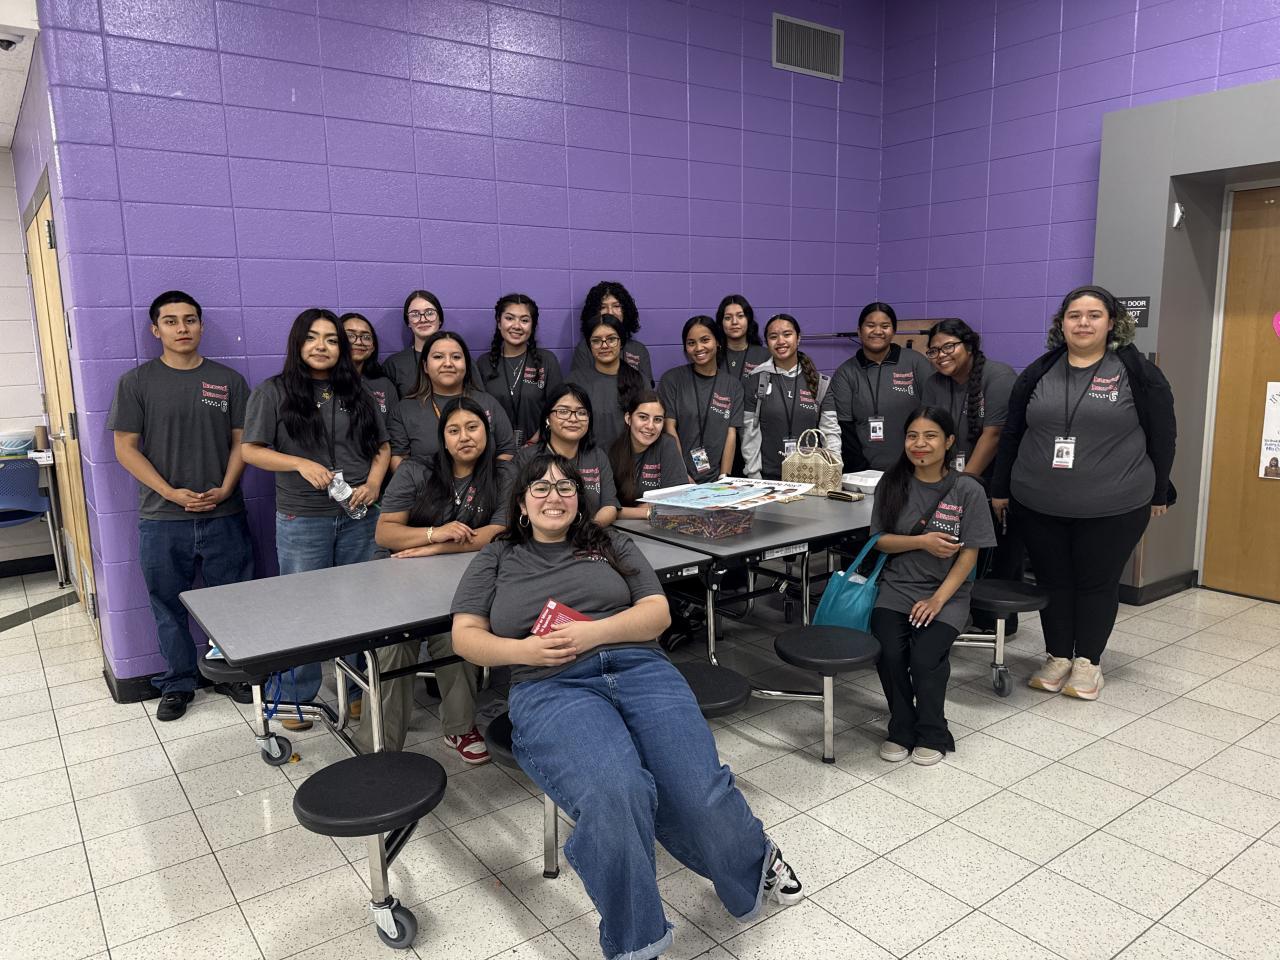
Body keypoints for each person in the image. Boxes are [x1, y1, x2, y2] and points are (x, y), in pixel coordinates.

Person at [450, 453, 804, 960]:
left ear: (580, 498)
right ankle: (637, 942)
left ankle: (756, 859)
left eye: (566, 487)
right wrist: (523, 651)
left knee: (696, 790)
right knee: (616, 792)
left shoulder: (609, 542)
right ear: (522, 504)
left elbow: (656, 613)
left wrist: (591, 633)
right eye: (541, 488)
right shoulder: (497, 556)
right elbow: (465, 636)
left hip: (640, 668)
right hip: (551, 685)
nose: (554, 496)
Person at [992, 285, 1177, 701]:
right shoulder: (1039, 371)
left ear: (1112, 323)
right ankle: (1058, 657)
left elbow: (1163, 436)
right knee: (1053, 581)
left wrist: (1159, 491)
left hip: (1114, 505)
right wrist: (1000, 488)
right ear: (1062, 324)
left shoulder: (1137, 373)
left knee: (1096, 583)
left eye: (1094, 315)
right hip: (1037, 502)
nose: (1083, 323)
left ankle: (1088, 663)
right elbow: (1013, 433)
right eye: (1074, 316)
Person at [109, 291, 255, 721]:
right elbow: (125, 448)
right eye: (171, 321)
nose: (182, 328)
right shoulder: (136, 383)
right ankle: (177, 682)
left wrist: (226, 488)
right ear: (156, 330)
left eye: (190, 320)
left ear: (201, 326)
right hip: (162, 518)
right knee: (167, 604)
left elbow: (243, 442)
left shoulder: (228, 381)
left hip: (224, 513)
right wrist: (171, 492)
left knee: (231, 599)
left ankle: (231, 673)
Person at [241, 308, 390, 729]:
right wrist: (298, 463)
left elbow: (382, 446)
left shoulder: (358, 392)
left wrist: (374, 483)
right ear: (297, 343)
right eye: (312, 337)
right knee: (302, 608)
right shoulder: (273, 392)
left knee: (361, 605)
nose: (321, 346)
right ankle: (295, 696)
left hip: (359, 515)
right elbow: (250, 450)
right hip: (303, 518)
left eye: (331, 339)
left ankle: (357, 692)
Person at [354, 397, 508, 758]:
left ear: (486, 432)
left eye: (472, 427)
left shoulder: (502, 475)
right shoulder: (416, 471)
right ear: (443, 439)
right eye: (454, 430)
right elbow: (385, 533)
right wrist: (433, 533)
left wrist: (437, 548)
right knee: (395, 649)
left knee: (458, 638)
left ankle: (459, 728)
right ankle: (379, 748)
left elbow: (498, 532)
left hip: (456, 581)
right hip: (399, 578)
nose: (464, 437)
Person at [869, 407, 997, 764]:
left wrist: (938, 600)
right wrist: (922, 542)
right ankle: (901, 726)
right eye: (912, 436)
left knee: (925, 658)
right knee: (890, 653)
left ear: (949, 441)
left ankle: (932, 731)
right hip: (896, 588)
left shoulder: (967, 489)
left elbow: (969, 557)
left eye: (930, 436)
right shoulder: (891, 483)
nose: (919, 444)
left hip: (948, 593)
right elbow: (880, 540)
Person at [922, 318, 1022, 633]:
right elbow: (930, 432)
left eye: (948, 347)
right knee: (958, 553)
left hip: (995, 483)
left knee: (997, 555)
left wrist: (962, 484)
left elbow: (993, 435)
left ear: (969, 346)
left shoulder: (998, 376)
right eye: (934, 350)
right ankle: (960, 616)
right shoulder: (935, 383)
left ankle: (998, 625)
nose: (941, 356)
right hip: (953, 482)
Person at [387, 330, 516, 468]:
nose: (448, 363)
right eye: (438, 357)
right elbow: (398, 458)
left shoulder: (487, 403)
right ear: (425, 366)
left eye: (456, 357)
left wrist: (487, 478)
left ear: (466, 365)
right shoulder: (404, 410)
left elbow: (507, 451)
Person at [830, 302, 933, 471]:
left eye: (885, 326)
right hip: (865, 471)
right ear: (859, 331)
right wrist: (863, 471)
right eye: (870, 325)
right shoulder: (846, 372)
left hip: (915, 467)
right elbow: (845, 428)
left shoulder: (916, 362)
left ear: (894, 331)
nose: (878, 331)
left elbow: (933, 415)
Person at [499, 384, 620, 527]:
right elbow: (511, 508)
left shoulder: (597, 456)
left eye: (581, 412)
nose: (573, 419)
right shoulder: (527, 458)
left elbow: (609, 506)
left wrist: (588, 530)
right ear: (547, 419)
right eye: (563, 411)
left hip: (590, 534)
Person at [741, 313, 839, 480]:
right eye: (773, 337)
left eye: (787, 334)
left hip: (812, 477)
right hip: (768, 478)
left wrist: (834, 468)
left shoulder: (820, 383)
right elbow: (749, 433)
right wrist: (754, 474)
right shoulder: (756, 379)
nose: (781, 341)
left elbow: (830, 432)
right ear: (767, 342)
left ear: (798, 338)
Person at [658, 316, 744, 482]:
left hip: (717, 479)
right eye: (691, 343)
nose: (698, 348)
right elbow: (669, 428)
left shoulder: (733, 386)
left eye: (705, 340)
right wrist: (681, 474)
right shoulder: (672, 380)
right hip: (678, 475)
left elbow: (731, 434)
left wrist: (724, 477)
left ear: (718, 342)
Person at [475, 293, 563, 447]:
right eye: (509, 318)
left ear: (532, 326)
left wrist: (538, 437)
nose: (516, 326)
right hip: (496, 450)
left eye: (524, 320)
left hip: (538, 448)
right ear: (499, 323)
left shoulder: (547, 360)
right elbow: (479, 411)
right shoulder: (483, 363)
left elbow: (558, 406)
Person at [607, 390, 688, 520]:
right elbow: (606, 507)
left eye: (657, 420)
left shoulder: (667, 444)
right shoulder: (611, 450)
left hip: (660, 525)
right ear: (628, 418)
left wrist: (625, 511)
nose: (650, 426)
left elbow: (677, 499)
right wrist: (647, 511)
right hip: (620, 525)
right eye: (643, 417)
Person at [569, 314, 644, 450]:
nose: (604, 345)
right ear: (589, 345)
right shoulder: (575, 381)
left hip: (629, 459)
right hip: (587, 458)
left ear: (621, 342)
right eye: (596, 341)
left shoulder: (639, 380)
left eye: (611, 339)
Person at [571, 280, 654, 385]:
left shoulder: (638, 350)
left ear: (625, 310)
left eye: (616, 306)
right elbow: (578, 388)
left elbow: (647, 390)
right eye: (603, 307)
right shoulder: (585, 349)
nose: (610, 312)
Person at [383, 290, 444, 398]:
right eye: (415, 314)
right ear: (408, 322)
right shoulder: (394, 364)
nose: (423, 319)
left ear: (440, 319)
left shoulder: (459, 358)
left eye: (430, 313)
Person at [341, 312, 395, 417]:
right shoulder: (323, 384)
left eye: (366, 337)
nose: (359, 342)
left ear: (373, 347)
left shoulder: (384, 385)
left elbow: (394, 424)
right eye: (350, 335)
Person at [717, 294, 770, 384]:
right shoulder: (713, 355)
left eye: (740, 316)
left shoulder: (765, 355)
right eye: (728, 318)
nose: (734, 322)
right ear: (721, 323)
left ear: (748, 320)